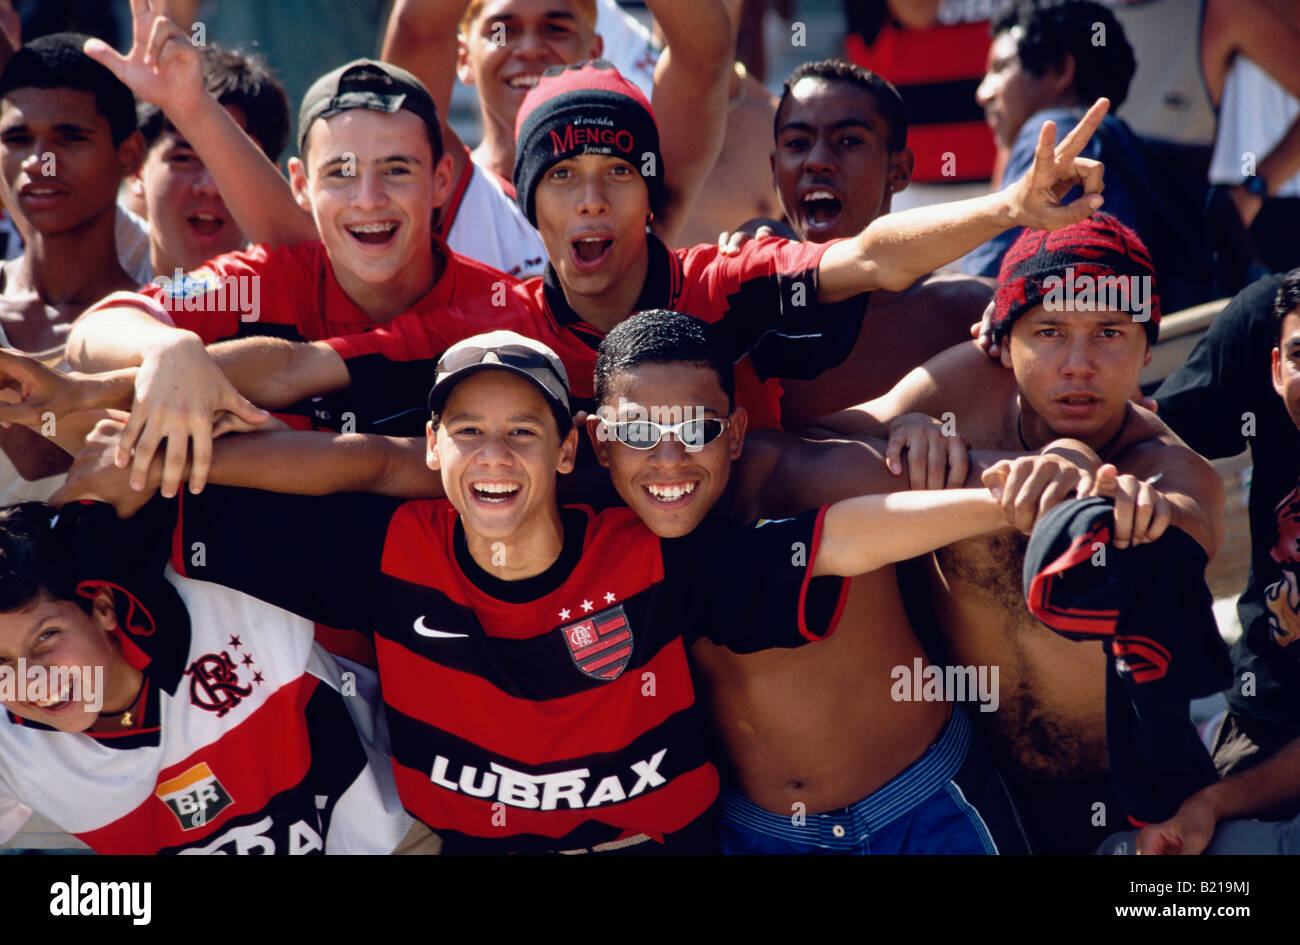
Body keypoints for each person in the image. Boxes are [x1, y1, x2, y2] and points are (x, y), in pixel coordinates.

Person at [53, 328, 1025, 853]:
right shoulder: (381, 548)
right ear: (429, 449)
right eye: (466, 431)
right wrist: (147, 392)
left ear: (566, 450)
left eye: (522, 431)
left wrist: (996, 498)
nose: (493, 455)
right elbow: (168, 487)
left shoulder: (647, 558)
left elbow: (837, 541)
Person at [67, 59, 1117, 509]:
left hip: (742, 575)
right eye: (562, 178)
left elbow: (869, 260)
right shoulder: (492, 325)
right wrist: (162, 374)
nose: (592, 203)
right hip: (586, 626)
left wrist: (1007, 212)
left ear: (649, 192)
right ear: (528, 202)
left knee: (818, 459)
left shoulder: (721, 280)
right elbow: (305, 364)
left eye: (618, 174)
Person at [817, 213, 1225, 853]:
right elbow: (814, 443)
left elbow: (1187, 522)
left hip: (1128, 787)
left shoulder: (1168, 469)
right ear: (1002, 344)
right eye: (1051, 332)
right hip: (965, 775)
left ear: (1149, 350)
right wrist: (901, 431)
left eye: (1110, 333)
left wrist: (1116, 506)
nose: (1079, 365)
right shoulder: (963, 391)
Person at [0, 499, 414, 854]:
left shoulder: (218, 594)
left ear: (102, 607)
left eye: (47, 638)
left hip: (399, 837)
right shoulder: (9, 745)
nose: (31, 679)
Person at [756, 58, 993, 424]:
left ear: (898, 171)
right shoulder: (743, 297)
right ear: (774, 170)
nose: (817, 161)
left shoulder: (969, 314)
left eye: (849, 141)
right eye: (798, 143)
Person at [1153, 270, 1300, 794]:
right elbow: (1151, 435)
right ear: (1277, 367)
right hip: (1268, 708)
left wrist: (1219, 805)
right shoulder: (1273, 314)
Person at [0, 32, 144, 503]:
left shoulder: (169, 318)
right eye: (18, 138)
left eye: (70, 137)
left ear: (129, 154)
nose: (39, 162)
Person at [961, 1, 1146, 282]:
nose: (982, 93)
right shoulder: (1127, 144)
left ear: (1060, 70)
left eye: (1000, 68)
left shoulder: (1051, 132)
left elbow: (986, 284)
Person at [126, 42, 291, 281]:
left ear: (273, 183)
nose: (210, 187)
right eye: (184, 159)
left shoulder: (300, 304)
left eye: (236, 164)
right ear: (137, 169)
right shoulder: (84, 282)